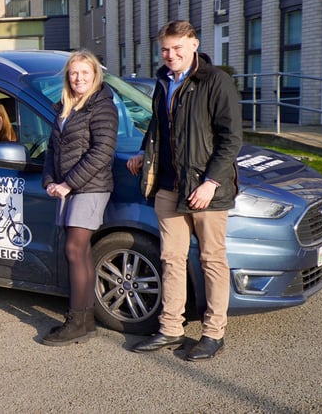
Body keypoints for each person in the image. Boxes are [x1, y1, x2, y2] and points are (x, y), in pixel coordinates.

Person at [127, 20, 242, 361]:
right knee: (172, 260)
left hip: (206, 190)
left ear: (194, 44)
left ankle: (213, 333)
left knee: (211, 261)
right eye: (165, 49)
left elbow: (231, 139)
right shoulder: (163, 81)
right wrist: (144, 154)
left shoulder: (215, 81)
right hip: (168, 188)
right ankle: (171, 328)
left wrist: (211, 182)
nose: (170, 54)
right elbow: (159, 126)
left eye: (177, 48)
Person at [41, 49, 118, 346]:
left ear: (95, 75)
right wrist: (50, 179)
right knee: (80, 252)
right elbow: (52, 149)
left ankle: (75, 320)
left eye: (85, 73)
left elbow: (101, 153)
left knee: (74, 249)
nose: (78, 78)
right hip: (69, 188)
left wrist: (68, 184)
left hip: (91, 187)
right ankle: (85, 322)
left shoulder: (102, 107)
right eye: (74, 73)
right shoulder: (66, 106)